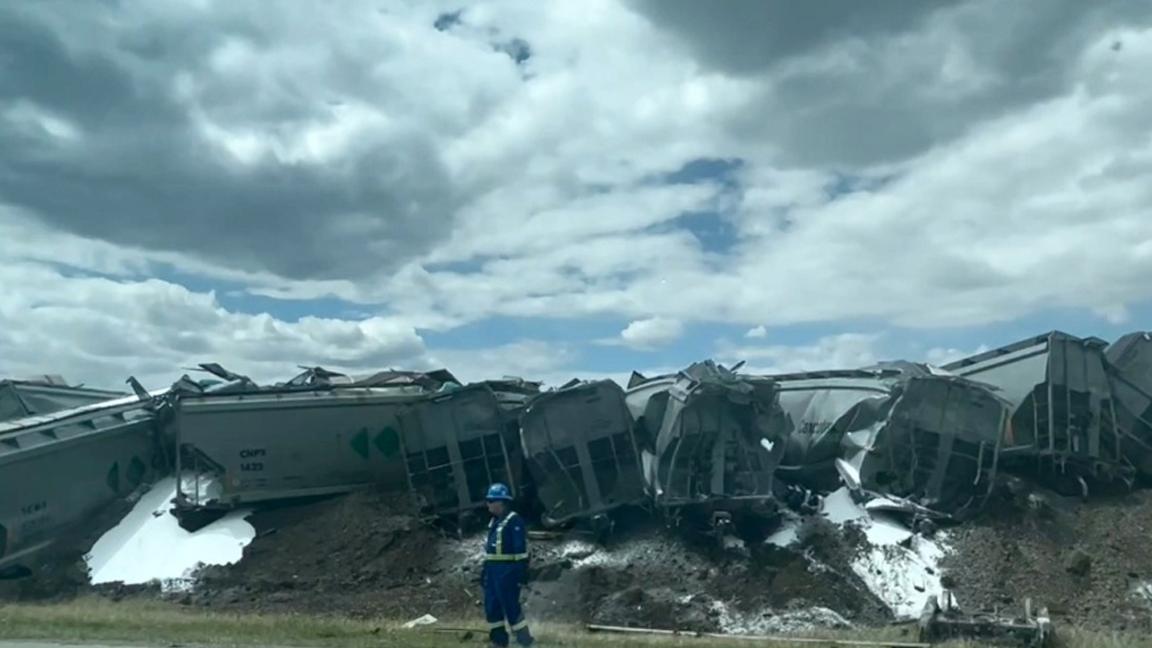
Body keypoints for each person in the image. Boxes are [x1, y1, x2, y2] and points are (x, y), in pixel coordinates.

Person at [481, 482, 534, 647]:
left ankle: (524, 641)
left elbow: (520, 549)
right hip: (493, 572)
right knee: (492, 606)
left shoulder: (514, 520)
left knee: (511, 606)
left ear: (501, 502)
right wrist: (485, 571)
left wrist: (521, 571)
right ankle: (498, 641)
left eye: (491, 500)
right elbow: (490, 551)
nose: (488, 504)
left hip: (507, 571)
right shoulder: (494, 522)